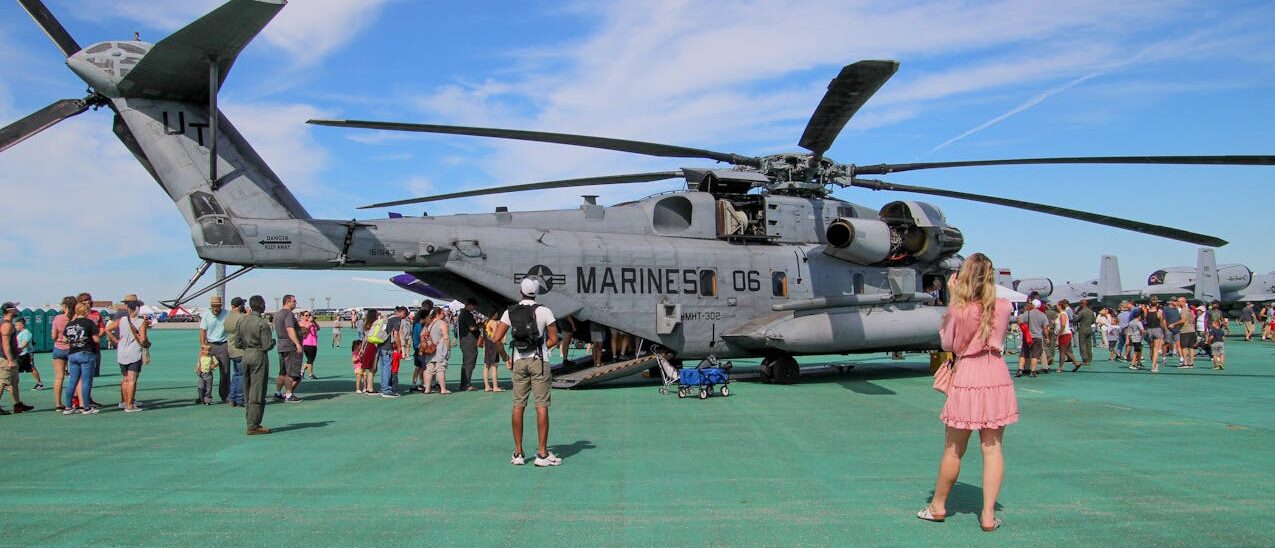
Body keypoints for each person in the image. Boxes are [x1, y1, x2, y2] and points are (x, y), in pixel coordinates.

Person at [918, 253, 1015, 532]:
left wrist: (953, 297)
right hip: (996, 374)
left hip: (969, 374)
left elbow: (949, 342)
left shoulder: (960, 309)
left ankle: (938, 506)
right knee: (993, 449)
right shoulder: (1005, 306)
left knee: (954, 448)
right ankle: (987, 515)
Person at [492, 278, 561, 467]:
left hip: (518, 360)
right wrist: (542, 348)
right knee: (541, 406)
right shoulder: (544, 311)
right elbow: (554, 339)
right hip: (539, 361)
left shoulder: (510, 311)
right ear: (537, 292)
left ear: (520, 291)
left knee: (518, 405)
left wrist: (507, 357)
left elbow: (496, 338)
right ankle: (542, 453)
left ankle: (518, 452)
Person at [235, 295, 275, 435]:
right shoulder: (262, 324)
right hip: (258, 356)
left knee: (247, 389)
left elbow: (237, 343)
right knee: (257, 391)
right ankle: (254, 424)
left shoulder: (242, 321)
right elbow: (266, 346)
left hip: (246, 355)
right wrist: (273, 343)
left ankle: (249, 419)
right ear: (262, 306)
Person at [105, 294, 148, 412]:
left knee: (125, 378)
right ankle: (130, 405)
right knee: (132, 379)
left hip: (122, 352)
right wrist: (146, 344)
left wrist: (115, 341)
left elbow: (107, 329)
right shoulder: (141, 321)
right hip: (134, 352)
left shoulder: (121, 319)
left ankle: (125, 401)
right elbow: (143, 339)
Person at [61, 302, 100, 415]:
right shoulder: (89, 323)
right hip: (86, 352)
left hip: (72, 353)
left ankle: (68, 406)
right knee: (86, 381)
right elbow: (96, 339)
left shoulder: (70, 324)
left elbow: (64, 339)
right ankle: (86, 407)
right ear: (87, 311)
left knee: (72, 380)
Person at [1, 303, 35, 414]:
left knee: (14, 382)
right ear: (9, 311)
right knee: (3, 382)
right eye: (15, 308)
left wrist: (17, 351)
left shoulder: (8, 324)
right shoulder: (7, 325)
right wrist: (10, 360)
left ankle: (18, 405)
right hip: (6, 359)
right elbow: (6, 344)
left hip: (11, 357)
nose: (17, 310)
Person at [199, 295, 232, 403]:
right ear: (211, 306)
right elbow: (203, 331)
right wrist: (203, 346)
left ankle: (225, 395)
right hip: (209, 345)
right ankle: (204, 396)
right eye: (214, 306)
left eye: (218, 306)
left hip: (223, 344)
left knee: (225, 372)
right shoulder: (206, 315)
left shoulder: (227, 314)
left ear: (221, 306)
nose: (216, 308)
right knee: (205, 371)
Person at [272, 295, 304, 402]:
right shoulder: (288, 314)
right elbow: (290, 329)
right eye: (294, 301)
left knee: (282, 372)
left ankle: (277, 393)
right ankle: (289, 394)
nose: (295, 303)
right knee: (293, 373)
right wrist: (297, 344)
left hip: (281, 345)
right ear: (288, 302)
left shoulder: (277, 314)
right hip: (290, 346)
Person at [376, 307, 406, 398]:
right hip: (388, 347)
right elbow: (396, 334)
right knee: (387, 368)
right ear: (401, 312)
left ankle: (384, 387)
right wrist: (399, 346)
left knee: (383, 367)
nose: (404, 317)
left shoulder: (387, 318)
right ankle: (386, 390)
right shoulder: (396, 319)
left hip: (381, 345)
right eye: (404, 315)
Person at [224, 297, 247, 407]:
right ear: (240, 306)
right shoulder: (241, 317)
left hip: (231, 348)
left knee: (236, 374)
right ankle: (240, 399)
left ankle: (231, 397)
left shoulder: (227, 317)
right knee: (242, 375)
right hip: (240, 349)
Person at [422, 308, 451, 395]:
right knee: (440, 369)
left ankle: (427, 388)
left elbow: (422, 335)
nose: (444, 315)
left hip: (429, 349)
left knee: (429, 369)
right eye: (442, 313)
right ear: (438, 314)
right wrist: (448, 348)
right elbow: (446, 337)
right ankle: (443, 389)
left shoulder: (428, 323)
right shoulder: (442, 323)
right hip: (440, 349)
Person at [1015, 300, 1047, 378]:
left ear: (1032, 305)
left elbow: (1020, 322)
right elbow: (1045, 327)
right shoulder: (1043, 315)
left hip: (1028, 336)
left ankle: (1020, 369)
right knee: (1035, 355)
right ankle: (1033, 371)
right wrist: (1047, 337)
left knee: (1023, 353)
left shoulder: (1027, 313)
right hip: (1038, 337)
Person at [352, 310, 379, 394]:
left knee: (370, 368)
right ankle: (369, 387)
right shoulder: (375, 325)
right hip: (373, 347)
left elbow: (365, 339)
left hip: (367, 346)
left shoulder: (366, 325)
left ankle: (368, 386)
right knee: (373, 368)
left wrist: (362, 349)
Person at [456, 298, 481, 391]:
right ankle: (467, 384)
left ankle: (464, 383)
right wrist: (479, 326)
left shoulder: (462, 314)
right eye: (473, 306)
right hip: (469, 341)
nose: (474, 308)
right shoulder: (467, 314)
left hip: (465, 341)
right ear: (470, 305)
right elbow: (472, 328)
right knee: (469, 363)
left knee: (466, 363)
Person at [13, 317, 44, 390]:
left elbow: (25, 343)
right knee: (15, 369)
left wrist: (17, 350)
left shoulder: (26, 332)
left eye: (17, 325)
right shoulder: (20, 333)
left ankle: (40, 384)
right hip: (20, 355)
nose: (16, 327)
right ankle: (10, 384)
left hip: (27, 354)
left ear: (22, 325)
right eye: (15, 325)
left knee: (31, 368)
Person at [483, 311, 509, 392]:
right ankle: (495, 386)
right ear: (494, 314)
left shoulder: (486, 322)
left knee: (486, 366)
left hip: (487, 344)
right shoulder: (493, 322)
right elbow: (496, 334)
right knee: (494, 366)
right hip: (493, 345)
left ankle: (487, 386)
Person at [1053, 300, 1079, 372]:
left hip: (1064, 334)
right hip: (1064, 334)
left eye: (1057, 305)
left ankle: (1060, 367)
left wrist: (1058, 335)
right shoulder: (1060, 314)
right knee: (1066, 350)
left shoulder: (1063, 314)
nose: (1056, 306)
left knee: (1062, 351)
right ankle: (1076, 363)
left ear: (1060, 306)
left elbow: (1063, 326)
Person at [1143, 300, 1165, 372]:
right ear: (1157, 304)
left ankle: (1154, 364)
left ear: (1150, 304)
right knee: (1156, 349)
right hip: (1157, 330)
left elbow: (1145, 322)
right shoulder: (1159, 312)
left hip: (1149, 330)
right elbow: (1162, 323)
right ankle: (1153, 366)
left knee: (1151, 348)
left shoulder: (1146, 312)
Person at [1074, 300, 1095, 369]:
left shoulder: (1082, 312)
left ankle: (1085, 359)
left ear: (1082, 304)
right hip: (1089, 328)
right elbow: (1093, 321)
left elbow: (1077, 319)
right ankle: (1089, 358)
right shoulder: (1091, 311)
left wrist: (1074, 316)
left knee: (1082, 344)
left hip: (1083, 329)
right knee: (1089, 345)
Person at [300, 311, 320, 380]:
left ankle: (302, 372)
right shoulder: (301, 323)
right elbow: (304, 330)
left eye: (309, 315)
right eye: (306, 315)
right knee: (310, 360)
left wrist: (313, 321)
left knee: (310, 360)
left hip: (313, 343)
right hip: (306, 343)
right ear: (302, 316)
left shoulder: (312, 323)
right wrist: (309, 322)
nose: (308, 316)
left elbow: (318, 328)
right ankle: (310, 374)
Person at [1178, 299, 1197, 369]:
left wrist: (1174, 324)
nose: (1178, 302)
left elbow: (1183, 321)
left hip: (1185, 330)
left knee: (1184, 347)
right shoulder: (1190, 310)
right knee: (1191, 347)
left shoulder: (1183, 310)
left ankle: (1185, 363)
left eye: (1179, 301)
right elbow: (1194, 320)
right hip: (1192, 330)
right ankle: (1191, 363)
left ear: (1183, 302)